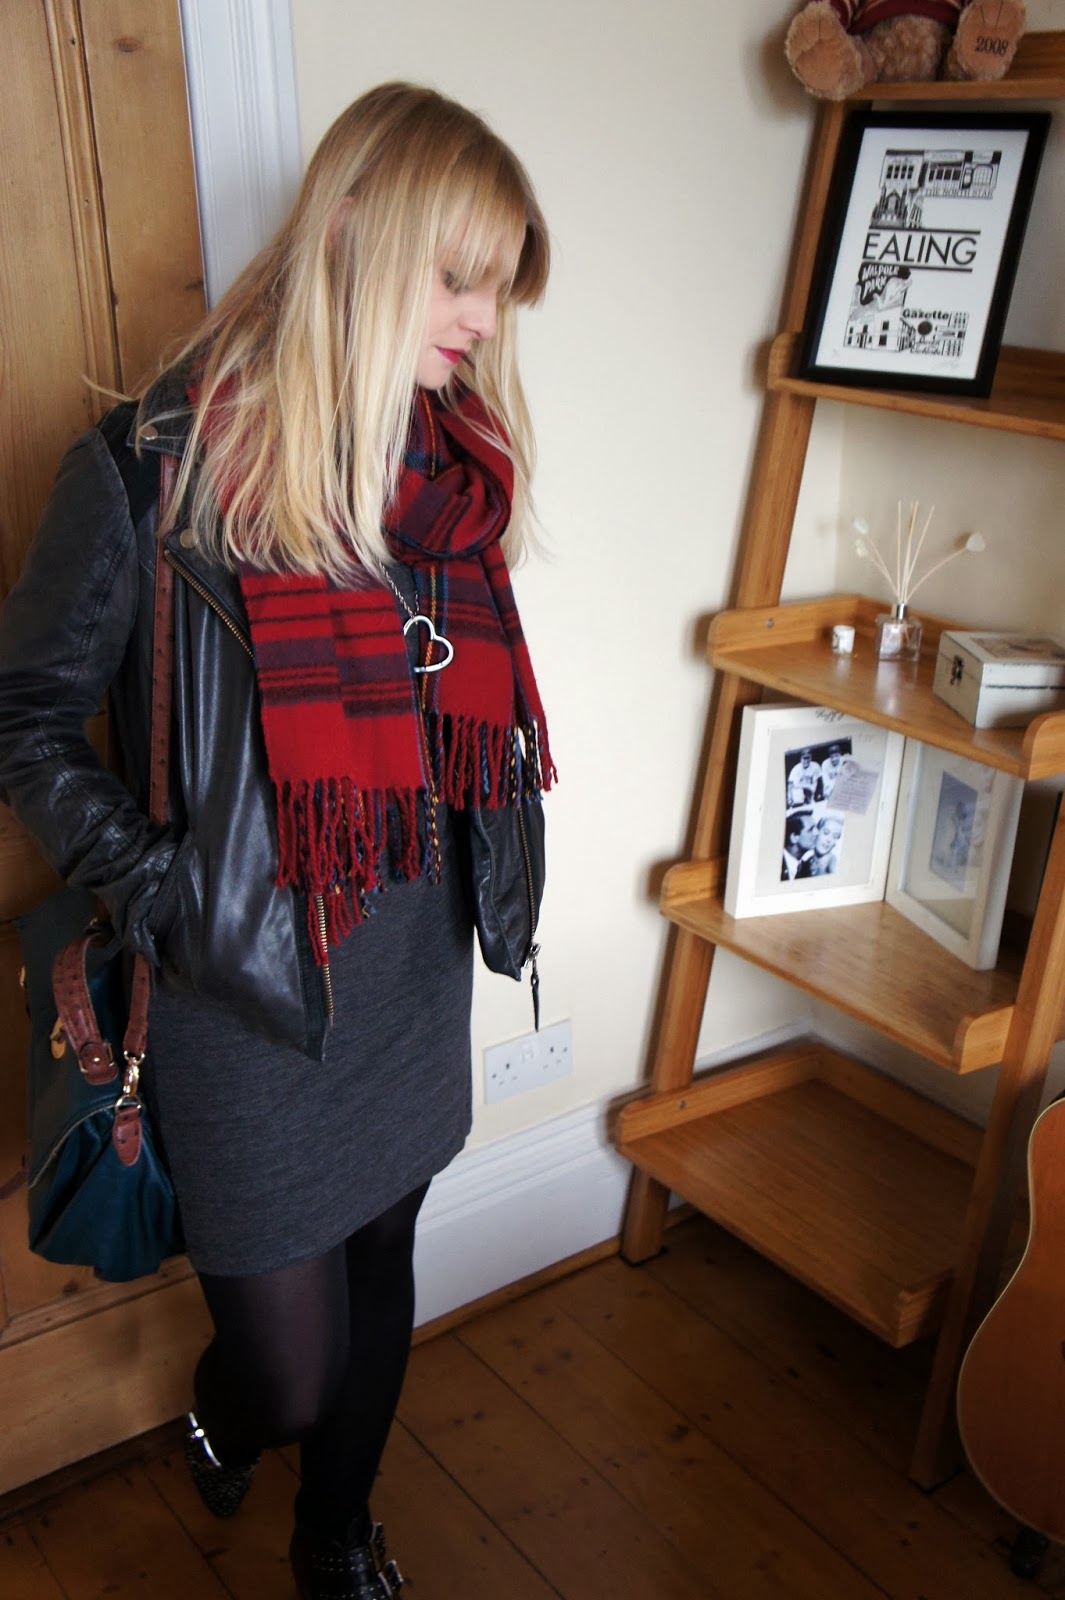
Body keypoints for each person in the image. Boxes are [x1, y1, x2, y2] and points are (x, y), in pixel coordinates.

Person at [0, 83, 552, 1600]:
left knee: (385, 1257)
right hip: (243, 985)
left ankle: (334, 1543)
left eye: (500, 285)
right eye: (458, 276)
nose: (483, 319)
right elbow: (24, 719)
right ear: (353, 231)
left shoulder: (449, 476)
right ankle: (224, 1419)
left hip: (409, 965)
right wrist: (169, 895)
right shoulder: (149, 472)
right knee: (290, 1370)